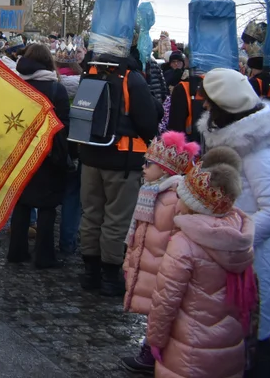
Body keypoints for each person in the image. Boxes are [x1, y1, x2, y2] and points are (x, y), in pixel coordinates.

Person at [145, 148, 257, 378]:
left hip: (187, 350)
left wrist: (155, 341)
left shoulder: (184, 244)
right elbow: (251, 299)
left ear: (193, 204)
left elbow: (166, 301)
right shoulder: (239, 237)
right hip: (229, 348)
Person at [198, 68, 270, 372]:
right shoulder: (225, 142)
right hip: (230, 253)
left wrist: (239, 240)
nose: (203, 107)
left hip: (254, 258)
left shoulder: (258, 153)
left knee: (254, 336)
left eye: (208, 103)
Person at [78, 47, 162, 297]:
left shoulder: (90, 71)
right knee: (116, 220)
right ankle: (110, 277)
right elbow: (147, 123)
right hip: (123, 160)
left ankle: (90, 273)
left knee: (91, 215)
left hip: (91, 156)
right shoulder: (131, 77)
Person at [118, 131, 199, 373]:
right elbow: (139, 230)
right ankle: (151, 350)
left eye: (149, 163)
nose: (143, 167)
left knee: (160, 310)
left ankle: (150, 352)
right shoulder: (149, 191)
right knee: (154, 310)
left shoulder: (174, 198)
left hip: (162, 264)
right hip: (148, 259)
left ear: (164, 170)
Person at [7, 43, 71, 269]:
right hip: (48, 154)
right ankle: (44, 256)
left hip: (21, 151)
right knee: (47, 206)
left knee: (22, 203)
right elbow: (64, 124)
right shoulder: (56, 90)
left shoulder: (17, 85)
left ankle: (16, 251)